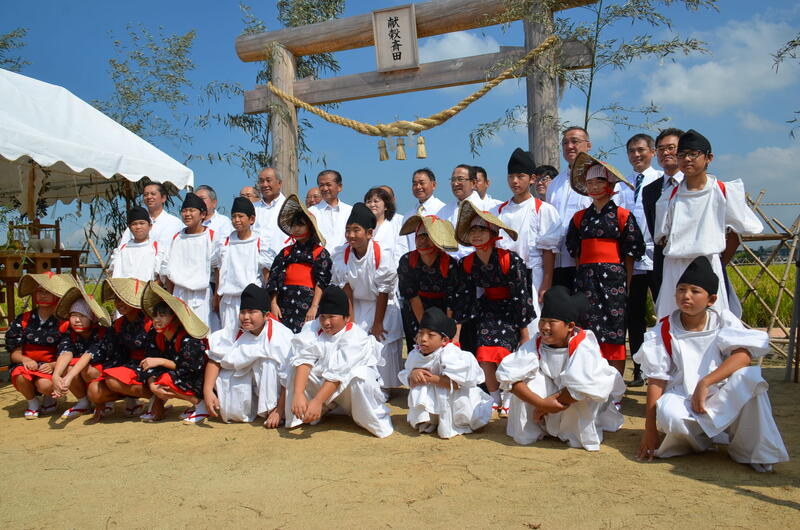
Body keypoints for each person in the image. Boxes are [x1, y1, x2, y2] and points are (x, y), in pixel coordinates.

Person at [633, 256, 789, 471]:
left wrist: (705, 382)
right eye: (681, 290)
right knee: (670, 416)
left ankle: (751, 451)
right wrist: (650, 429)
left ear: (711, 299)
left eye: (695, 291)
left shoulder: (723, 320)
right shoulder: (664, 329)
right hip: (683, 396)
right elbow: (656, 380)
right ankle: (700, 443)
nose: (686, 296)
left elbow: (743, 356)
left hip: (718, 391)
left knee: (751, 379)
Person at [496, 286, 626, 449]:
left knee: (581, 393)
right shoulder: (536, 342)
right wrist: (541, 404)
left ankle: (572, 433)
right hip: (550, 399)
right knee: (528, 380)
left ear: (570, 326)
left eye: (552, 322)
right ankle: (535, 430)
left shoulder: (583, 344)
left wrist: (546, 406)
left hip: (571, 396)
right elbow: (508, 375)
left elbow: (583, 385)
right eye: (543, 321)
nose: (545, 327)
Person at [654, 129, 762, 318]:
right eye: (682, 155)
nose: (687, 159)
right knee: (672, 319)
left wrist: (719, 262)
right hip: (675, 267)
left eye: (693, 154)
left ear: (708, 158)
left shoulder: (723, 191)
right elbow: (662, 238)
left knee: (714, 318)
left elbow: (737, 232)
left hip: (709, 264)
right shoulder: (668, 197)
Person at [566, 152, 645, 377]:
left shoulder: (623, 215)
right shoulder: (579, 218)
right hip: (586, 280)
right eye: (589, 182)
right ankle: (590, 379)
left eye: (599, 181)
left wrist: (626, 282)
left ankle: (615, 385)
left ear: (609, 184)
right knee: (587, 328)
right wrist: (581, 277)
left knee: (614, 329)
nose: (593, 186)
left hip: (614, 281)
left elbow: (630, 254)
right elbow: (576, 253)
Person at [453, 201, 534, 416]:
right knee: (484, 354)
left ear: (493, 234)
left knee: (506, 355)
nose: (476, 235)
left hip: (511, 311)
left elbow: (521, 296)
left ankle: (508, 396)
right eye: (472, 230)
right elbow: (463, 299)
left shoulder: (510, 259)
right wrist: (456, 334)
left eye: (481, 230)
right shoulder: (467, 263)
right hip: (487, 310)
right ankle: (494, 397)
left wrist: (524, 333)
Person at [285, 286, 394, 438]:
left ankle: (366, 418)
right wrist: (298, 394)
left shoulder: (356, 336)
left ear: (346, 318)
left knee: (361, 377)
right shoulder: (312, 327)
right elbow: (304, 358)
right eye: (323, 316)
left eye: (332, 317)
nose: (326, 322)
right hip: (324, 386)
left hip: (348, 392)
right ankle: (307, 412)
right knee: (295, 366)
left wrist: (318, 401)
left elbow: (337, 373)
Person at [332, 203, 404, 389]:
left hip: (383, 305)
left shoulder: (381, 254)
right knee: (351, 340)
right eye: (348, 230)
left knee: (382, 341)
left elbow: (384, 291)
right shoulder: (342, 254)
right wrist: (351, 321)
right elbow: (346, 288)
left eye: (356, 230)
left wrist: (377, 323)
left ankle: (383, 387)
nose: (351, 235)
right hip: (356, 305)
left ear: (369, 233)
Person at [204, 284, 294, 426]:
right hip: (247, 383)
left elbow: (288, 375)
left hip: (277, 389)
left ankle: (273, 409)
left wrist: (279, 410)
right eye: (243, 312)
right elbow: (215, 358)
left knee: (268, 363)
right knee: (233, 411)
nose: (245, 317)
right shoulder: (234, 328)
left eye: (252, 312)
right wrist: (207, 390)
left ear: (266, 315)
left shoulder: (281, 336)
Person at [398, 307, 492, 438]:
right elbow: (406, 374)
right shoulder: (415, 354)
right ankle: (431, 420)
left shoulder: (450, 354)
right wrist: (413, 374)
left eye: (431, 335)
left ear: (444, 340)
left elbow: (456, 384)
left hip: (453, 397)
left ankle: (455, 420)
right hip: (433, 392)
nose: (423, 339)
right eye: (420, 333)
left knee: (467, 414)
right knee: (419, 387)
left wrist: (429, 378)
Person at [491, 148, 561, 316]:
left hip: (533, 278)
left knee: (532, 325)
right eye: (511, 177)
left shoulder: (543, 209)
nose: (514, 181)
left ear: (532, 179)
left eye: (520, 176)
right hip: (504, 279)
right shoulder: (497, 211)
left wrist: (546, 283)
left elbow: (549, 250)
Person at [617, 133, 662, 387]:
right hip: (631, 260)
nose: (636, 155)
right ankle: (639, 369)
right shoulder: (622, 186)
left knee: (663, 310)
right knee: (634, 316)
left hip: (657, 256)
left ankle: (663, 366)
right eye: (632, 151)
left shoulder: (661, 181)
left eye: (641, 150)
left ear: (652, 152)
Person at [139, 281, 210, 423]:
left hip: (198, 378)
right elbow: (149, 361)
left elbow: (191, 368)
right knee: (152, 378)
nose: (157, 320)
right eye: (155, 315)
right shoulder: (156, 335)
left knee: (165, 379)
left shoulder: (189, 339)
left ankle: (200, 404)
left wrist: (162, 361)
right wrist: (152, 385)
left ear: (175, 318)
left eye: (162, 315)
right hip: (176, 374)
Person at [7, 273, 74, 419]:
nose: (43, 295)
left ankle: (49, 397)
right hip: (27, 366)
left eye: (48, 292)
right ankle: (33, 403)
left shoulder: (64, 322)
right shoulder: (23, 319)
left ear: (57, 295)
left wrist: (52, 365)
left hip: (52, 367)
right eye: (40, 291)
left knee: (45, 385)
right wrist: (25, 359)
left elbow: (67, 352)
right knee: (19, 375)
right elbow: (14, 352)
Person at [266, 194, 332, 333]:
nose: (296, 228)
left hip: (309, 305)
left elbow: (322, 282)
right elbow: (273, 280)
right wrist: (273, 304)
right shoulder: (285, 252)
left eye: (301, 224)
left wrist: (314, 306)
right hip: (284, 305)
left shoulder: (319, 253)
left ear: (310, 227)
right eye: (294, 225)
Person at [91, 278, 154, 419]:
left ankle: (155, 397)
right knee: (94, 390)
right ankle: (131, 399)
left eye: (123, 300)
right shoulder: (118, 324)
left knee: (112, 380)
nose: (119, 304)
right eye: (117, 300)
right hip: (129, 364)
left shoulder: (150, 322)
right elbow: (110, 350)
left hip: (151, 366)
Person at [50, 282, 113, 420]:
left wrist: (68, 378)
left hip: (105, 371)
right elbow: (65, 352)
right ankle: (83, 401)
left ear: (92, 318)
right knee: (67, 366)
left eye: (83, 316)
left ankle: (106, 400)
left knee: (86, 370)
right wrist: (56, 376)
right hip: (82, 371)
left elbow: (88, 355)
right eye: (73, 315)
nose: (77, 320)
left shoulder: (102, 333)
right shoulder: (70, 333)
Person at [397, 213, 459, 352]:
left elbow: (452, 302)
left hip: (443, 310)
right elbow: (412, 296)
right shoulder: (407, 261)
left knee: (444, 349)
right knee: (419, 349)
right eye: (420, 236)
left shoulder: (449, 264)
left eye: (428, 236)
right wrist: (424, 329)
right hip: (415, 311)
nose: (423, 240)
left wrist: (447, 331)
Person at [212, 197, 272, 335]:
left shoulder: (260, 242)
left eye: (240, 216)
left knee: (251, 337)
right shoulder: (224, 243)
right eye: (233, 216)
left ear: (252, 219)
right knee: (228, 337)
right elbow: (219, 271)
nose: (236, 220)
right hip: (228, 301)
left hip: (252, 301)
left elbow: (266, 273)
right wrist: (216, 297)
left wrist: (268, 300)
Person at [160, 192, 218, 326]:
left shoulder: (211, 236)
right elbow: (168, 269)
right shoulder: (177, 237)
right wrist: (171, 297)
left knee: (203, 330)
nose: (187, 214)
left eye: (191, 210)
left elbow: (218, 268)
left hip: (202, 296)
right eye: (184, 211)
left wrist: (216, 296)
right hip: (179, 294)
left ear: (202, 214)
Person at [546, 127, 593, 290]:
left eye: (575, 141)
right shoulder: (554, 184)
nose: (569, 146)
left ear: (588, 145)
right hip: (558, 261)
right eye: (565, 143)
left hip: (588, 261)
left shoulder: (600, 179)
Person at [642, 128, 684, 302]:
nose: (665, 153)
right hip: (662, 265)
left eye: (671, 147)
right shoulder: (649, 191)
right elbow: (654, 230)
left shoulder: (697, 184)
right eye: (661, 149)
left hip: (693, 263)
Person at [436, 164, 483, 260]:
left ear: (473, 183)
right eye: (453, 180)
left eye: (460, 179)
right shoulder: (443, 211)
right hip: (449, 264)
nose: (455, 183)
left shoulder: (486, 208)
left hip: (476, 262)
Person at [118, 182, 183, 249]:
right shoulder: (136, 223)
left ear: (163, 198)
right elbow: (122, 248)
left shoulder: (174, 223)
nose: (149, 197)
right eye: (146, 194)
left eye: (153, 194)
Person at [109, 206, 162, 281]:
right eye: (134, 224)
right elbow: (112, 273)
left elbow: (161, 277)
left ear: (150, 226)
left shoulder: (157, 249)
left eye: (142, 223)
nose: (138, 227)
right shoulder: (121, 250)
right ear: (129, 228)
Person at [308, 169, 353, 253]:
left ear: (339, 187)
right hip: (318, 258)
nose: (325, 188)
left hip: (345, 259)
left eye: (328, 185)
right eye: (321, 185)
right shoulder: (311, 212)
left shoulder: (350, 211)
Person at [364, 186, 408, 269]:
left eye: (376, 201)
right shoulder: (362, 227)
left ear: (386, 206)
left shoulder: (397, 227)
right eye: (369, 202)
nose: (372, 204)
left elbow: (401, 252)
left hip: (390, 273)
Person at [403, 168, 446, 251]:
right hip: (413, 258)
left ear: (433, 185)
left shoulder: (443, 210)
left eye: (422, 183)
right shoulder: (408, 215)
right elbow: (404, 245)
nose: (418, 187)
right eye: (415, 184)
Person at [253, 167, 288, 260]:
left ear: (279, 183)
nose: (265, 185)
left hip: (281, 263)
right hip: (254, 264)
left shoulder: (289, 207)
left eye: (268, 180)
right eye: (261, 181)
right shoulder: (252, 208)